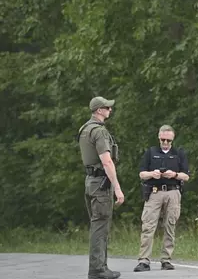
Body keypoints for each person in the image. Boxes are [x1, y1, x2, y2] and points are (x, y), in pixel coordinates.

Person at [77, 96, 125, 279]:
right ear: (99, 110)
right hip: (101, 184)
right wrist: (118, 188)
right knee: (100, 226)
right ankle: (98, 270)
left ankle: (101, 267)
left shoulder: (85, 129)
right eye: (107, 107)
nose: (110, 110)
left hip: (90, 182)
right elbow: (107, 161)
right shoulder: (99, 131)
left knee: (97, 225)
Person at [133, 125, 190, 272]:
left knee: (170, 225)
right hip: (154, 192)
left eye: (168, 140)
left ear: (172, 140)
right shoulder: (151, 152)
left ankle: (166, 259)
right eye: (163, 139)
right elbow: (141, 174)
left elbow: (186, 175)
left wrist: (175, 175)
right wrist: (153, 174)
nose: (165, 143)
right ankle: (144, 260)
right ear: (159, 138)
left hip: (173, 191)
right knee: (148, 225)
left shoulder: (179, 153)